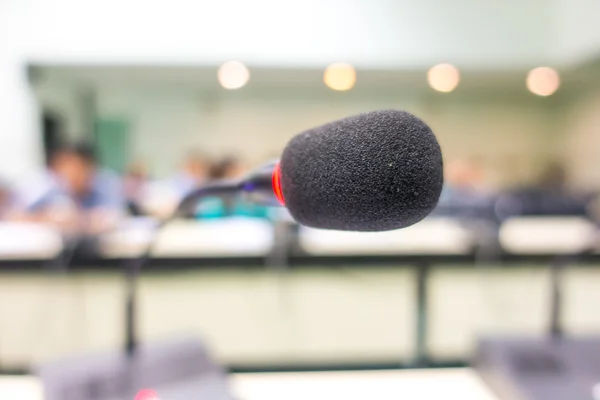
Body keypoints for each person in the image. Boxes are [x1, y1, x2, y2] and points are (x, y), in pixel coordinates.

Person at [13, 142, 125, 236]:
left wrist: (76, 220)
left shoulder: (106, 184)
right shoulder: (59, 189)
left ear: (89, 166)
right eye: (62, 167)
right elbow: (18, 216)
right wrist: (48, 218)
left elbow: (113, 218)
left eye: (74, 167)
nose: (69, 173)